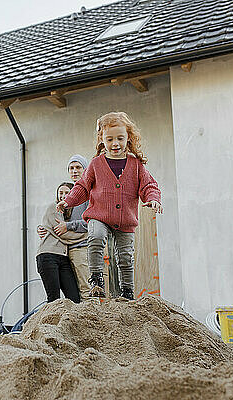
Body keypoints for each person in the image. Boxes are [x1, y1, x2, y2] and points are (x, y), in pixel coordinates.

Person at [57, 112, 162, 300]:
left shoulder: (136, 164)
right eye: (110, 139)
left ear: (128, 138)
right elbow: (82, 187)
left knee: (125, 257)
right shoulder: (96, 164)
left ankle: (127, 291)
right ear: (102, 140)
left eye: (120, 138)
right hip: (100, 215)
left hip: (126, 220)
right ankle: (97, 280)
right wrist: (68, 201)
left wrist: (153, 198)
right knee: (95, 236)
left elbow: (149, 185)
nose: (115, 144)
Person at [37, 154, 90, 300]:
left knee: (84, 290)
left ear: (85, 169)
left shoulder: (88, 195)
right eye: (71, 168)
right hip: (60, 253)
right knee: (60, 297)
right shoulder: (60, 207)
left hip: (80, 249)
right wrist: (43, 228)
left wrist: (68, 226)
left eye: (78, 167)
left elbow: (91, 222)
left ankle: (90, 320)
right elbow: (57, 230)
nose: (74, 171)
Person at [36, 182, 82, 303]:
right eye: (60, 193)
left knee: (74, 299)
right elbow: (64, 235)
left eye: (66, 193)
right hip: (48, 256)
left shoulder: (68, 213)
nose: (63, 195)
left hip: (63, 257)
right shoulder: (54, 207)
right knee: (54, 299)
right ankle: (50, 322)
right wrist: (87, 235)